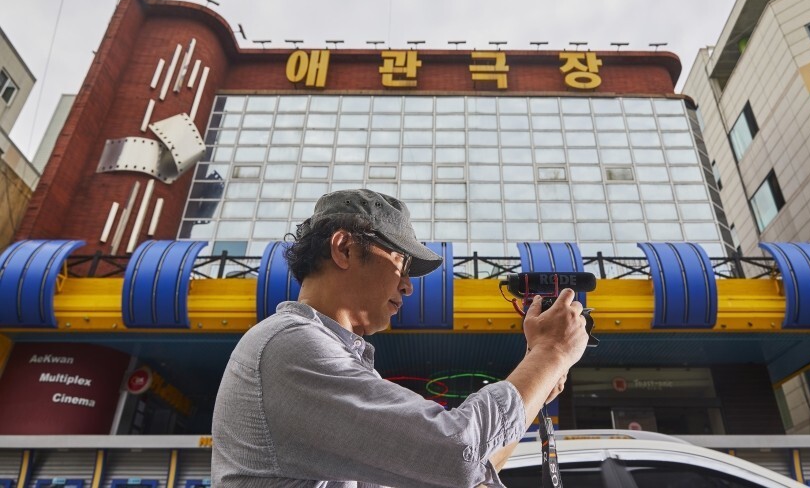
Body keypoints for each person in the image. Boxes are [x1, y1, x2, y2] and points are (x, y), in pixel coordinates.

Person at [212, 189, 589, 487]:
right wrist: (551, 351)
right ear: (344, 248)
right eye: (401, 263)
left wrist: (537, 386)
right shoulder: (292, 346)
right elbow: (456, 452)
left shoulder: (321, 355)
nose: (407, 286)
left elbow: (451, 474)